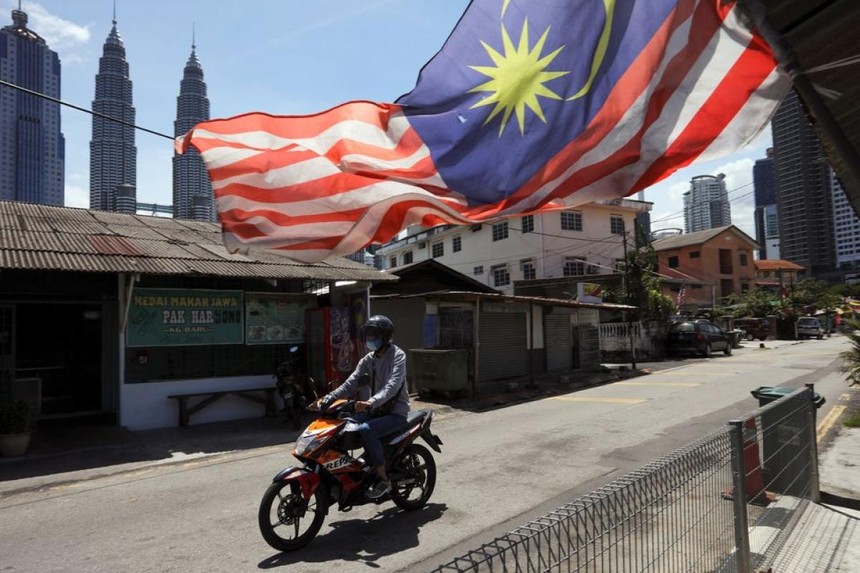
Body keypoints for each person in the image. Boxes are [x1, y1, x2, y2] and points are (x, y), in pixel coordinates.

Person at [316, 315, 409, 500]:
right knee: (341, 426)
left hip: (395, 414)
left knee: (366, 429)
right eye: (367, 334)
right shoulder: (367, 360)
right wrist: (325, 399)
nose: (369, 339)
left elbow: (393, 385)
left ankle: (383, 479)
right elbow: (349, 385)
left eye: (374, 335)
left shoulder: (398, 356)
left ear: (385, 336)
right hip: (373, 411)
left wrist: (371, 402)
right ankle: (349, 473)